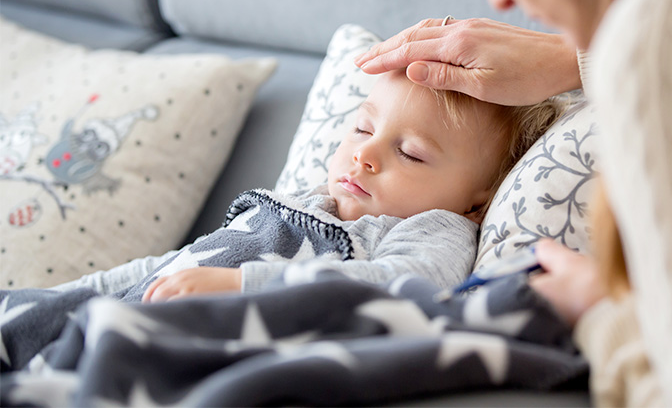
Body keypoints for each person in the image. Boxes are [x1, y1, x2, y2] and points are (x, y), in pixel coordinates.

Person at [355, 0, 672, 407]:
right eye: (360, 127)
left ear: (479, 202)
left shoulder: (663, 24)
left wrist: (599, 312)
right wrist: (575, 58)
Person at [50, 68, 562, 304]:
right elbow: (171, 266)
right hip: (128, 306)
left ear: (476, 205)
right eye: (363, 128)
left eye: (410, 153)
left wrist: (243, 287)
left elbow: (406, 286)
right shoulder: (299, 202)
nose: (364, 153)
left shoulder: (434, 230)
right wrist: (69, 295)